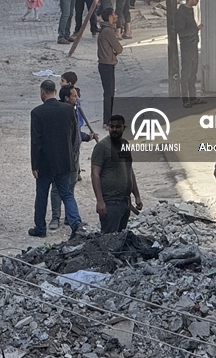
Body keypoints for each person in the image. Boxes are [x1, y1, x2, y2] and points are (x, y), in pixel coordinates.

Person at [29, 80, 83, 239]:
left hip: (45, 162)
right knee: (67, 194)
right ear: (54, 91)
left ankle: (40, 227)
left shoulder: (37, 113)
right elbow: (74, 136)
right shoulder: (68, 110)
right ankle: (76, 224)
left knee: (41, 195)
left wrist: (35, 164)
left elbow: (36, 141)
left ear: (42, 92)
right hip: (65, 160)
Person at [91, 114, 142, 234]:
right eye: (111, 126)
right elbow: (95, 175)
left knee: (120, 239)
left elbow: (129, 171)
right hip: (110, 203)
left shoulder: (125, 144)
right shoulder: (102, 147)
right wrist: (100, 201)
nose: (114, 129)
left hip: (125, 202)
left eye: (118, 127)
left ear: (124, 128)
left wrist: (137, 196)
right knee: (109, 240)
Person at [49, 84, 85, 230]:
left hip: (75, 155)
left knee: (71, 185)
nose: (77, 98)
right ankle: (55, 217)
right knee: (58, 187)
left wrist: (88, 137)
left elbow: (76, 134)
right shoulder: (60, 113)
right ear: (66, 98)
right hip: (63, 157)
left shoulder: (73, 111)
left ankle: (70, 217)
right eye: (74, 96)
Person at [176, 0, 203, 106]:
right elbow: (181, 32)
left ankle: (193, 98)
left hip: (193, 44)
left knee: (193, 73)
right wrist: (196, 29)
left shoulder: (189, 10)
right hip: (187, 46)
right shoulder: (181, 13)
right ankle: (185, 99)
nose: (197, 0)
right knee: (186, 73)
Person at [97, 7, 123, 126]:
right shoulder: (108, 32)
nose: (116, 16)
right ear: (110, 17)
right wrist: (115, 53)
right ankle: (107, 121)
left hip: (104, 64)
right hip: (107, 65)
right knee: (109, 94)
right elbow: (118, 48)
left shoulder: (104, 30)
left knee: (109, 93)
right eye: (114, 15)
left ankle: (108, 119)